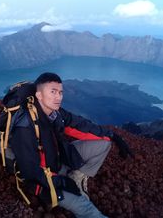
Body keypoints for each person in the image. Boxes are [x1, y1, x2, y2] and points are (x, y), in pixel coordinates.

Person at [10, 72, 133, 217]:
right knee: (87, 209)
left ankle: (76, 176)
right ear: (39, 95)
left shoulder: (55, 113)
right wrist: (61, 182)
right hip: (46, 180)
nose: (59, 97)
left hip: (59, 158)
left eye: (61, 92)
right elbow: (30, 172)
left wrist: (113, 135)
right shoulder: (25, 127)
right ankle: (60, 194)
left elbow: (80, 124)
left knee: (103, 145)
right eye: (53, 92)